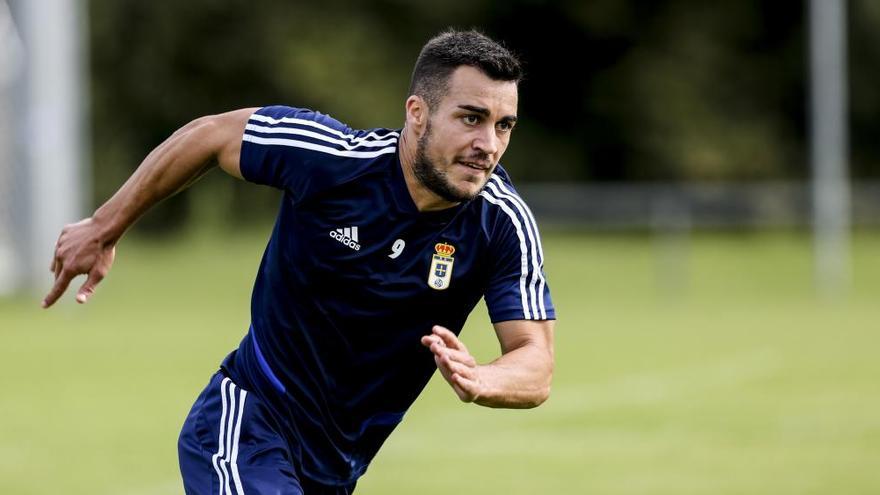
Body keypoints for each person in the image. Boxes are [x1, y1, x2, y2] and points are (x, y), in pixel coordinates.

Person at [42, 29, 556, 494]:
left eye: (503, 125)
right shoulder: (332, 160)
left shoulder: (501, 223)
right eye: (471, 118)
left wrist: (485, 378)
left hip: (334, 469)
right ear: (417, 113)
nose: (488, 145)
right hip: (247, 421)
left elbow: (535, 361)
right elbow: (213, 134)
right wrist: (106, 225)